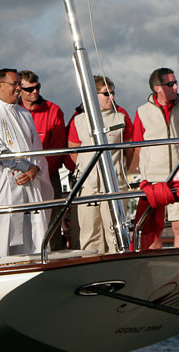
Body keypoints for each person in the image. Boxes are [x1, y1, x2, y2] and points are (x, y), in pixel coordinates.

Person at [0, 68, 54, 266]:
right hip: (3, 188)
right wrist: (25, 166)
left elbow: (36, 148)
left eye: (19, 84)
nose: (19, 88)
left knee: (33, 239)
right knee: (1, 240)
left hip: (29, 184)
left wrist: (35, 168)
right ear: (0, 86)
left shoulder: (24, 114)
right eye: (15, 84)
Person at [133, 68, 179, 248]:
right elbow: (137, 146)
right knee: (154, 231)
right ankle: (155, 271)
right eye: (170, 84)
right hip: (154, 179)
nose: (176, 86)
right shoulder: (142, 112)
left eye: (175, 82)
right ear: (157, 88)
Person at [68, 76, 134, 253]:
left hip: (115, 184)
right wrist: (87, 172)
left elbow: (130, 150)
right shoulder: (79, 120)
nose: (111, 97)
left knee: (116, 233)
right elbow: (73, 150)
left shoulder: (121, 117)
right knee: (90, 234)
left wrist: (120, 172)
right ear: (92, 95)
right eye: (106, 93)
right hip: (88, 186)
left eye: (112, 93)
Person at [19, 69, 74, 249]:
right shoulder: (13, 112)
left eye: (37, 87)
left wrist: (38, 172)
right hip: (19, 180)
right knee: (21, 228)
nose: (35, 92)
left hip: (48, 177)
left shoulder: (53, 111)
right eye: (29, 89)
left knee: (52, 229)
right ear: (19, 90)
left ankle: (57, 265)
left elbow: (57, 150)